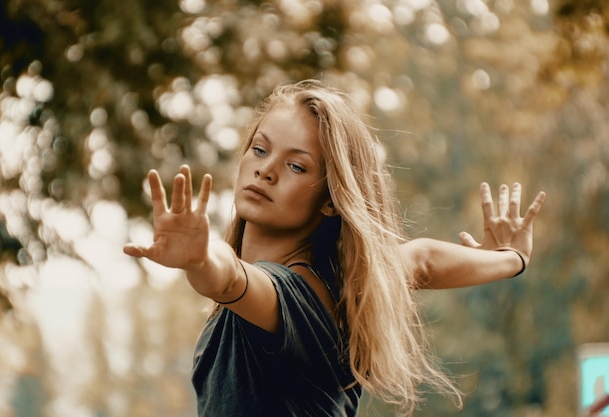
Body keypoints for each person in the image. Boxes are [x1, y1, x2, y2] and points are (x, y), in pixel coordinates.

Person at [123, 79, 546, 417]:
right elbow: (421, 259)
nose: (265, 170)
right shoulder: (350, 280)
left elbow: (230, 278)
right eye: (259, 149)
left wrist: (200, 258)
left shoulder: (298, 297)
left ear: (331, 198)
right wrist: (511, 259)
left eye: (295, 165)